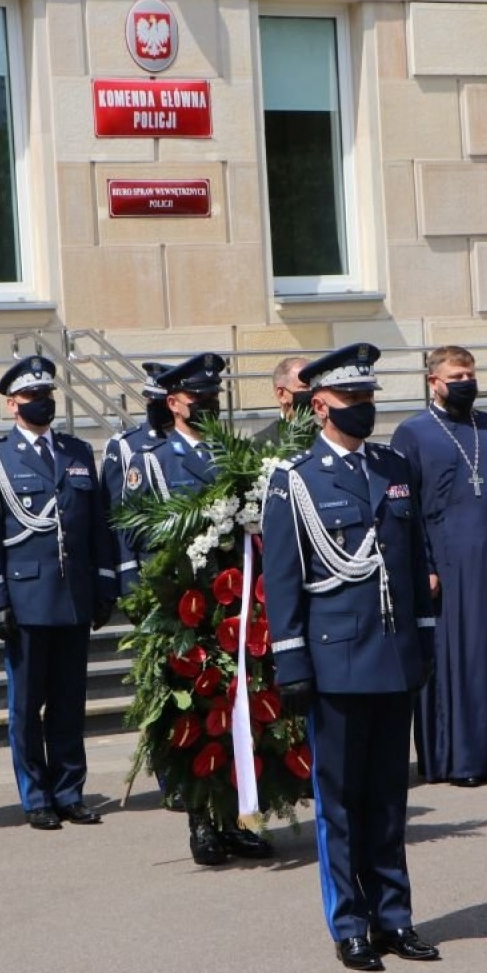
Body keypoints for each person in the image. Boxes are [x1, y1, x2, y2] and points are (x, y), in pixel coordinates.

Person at [261, 343, 441, 972]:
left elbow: (414, 565)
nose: (364, 409)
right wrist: (292, 665)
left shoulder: (391, 468)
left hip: (392, 658)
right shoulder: (295, 481)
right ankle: (351, 924)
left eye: (369, 398)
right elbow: (282, 583)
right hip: (334, 661)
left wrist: (423, 640)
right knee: (339, 801)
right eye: (351, 400)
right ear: (320, 406)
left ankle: (395, 916)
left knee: (389, 797)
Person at [132, 352, 276, 864]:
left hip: (234, 597)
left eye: (215, 399)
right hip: (184, 602)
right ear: (174, 403)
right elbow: (137, 535)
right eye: (200, 400)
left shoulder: (230, 452)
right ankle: (201, 821)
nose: (210, 407)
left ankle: (240, 817)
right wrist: (151, 602)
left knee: (242, 709)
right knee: (194, 715)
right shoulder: (152, 460)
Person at [0, 356, 117, 832]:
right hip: (26, 599)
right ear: (12, 404)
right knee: (27, 706)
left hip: (71, 597)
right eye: (32, 396)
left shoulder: (76, 452)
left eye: (47, 394)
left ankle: (70, 790)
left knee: (70, 702)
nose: (42, 402)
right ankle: (36, 796)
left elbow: (94, 526)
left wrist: (104, 584)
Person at [390, 345, 487, 786]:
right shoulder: (412, 433)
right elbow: (406, 508)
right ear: (433, 381)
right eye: (456, 376)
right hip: (447, 567)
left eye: (470, 375)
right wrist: (425, 566)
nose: (465, 383)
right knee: (458, 658)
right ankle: (460, 759)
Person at [102, 361, 174, 598]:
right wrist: (128, 576)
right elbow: (118, 518)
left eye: (160, 401)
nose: (154, 406)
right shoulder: (125, 446)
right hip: (148, 568)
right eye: (150, 399)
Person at [253, 354, 310, 444]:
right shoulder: (260, 443)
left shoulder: (331, 438)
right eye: (305, 386)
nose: (313, 392)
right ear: (282, 394)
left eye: (316, 386)